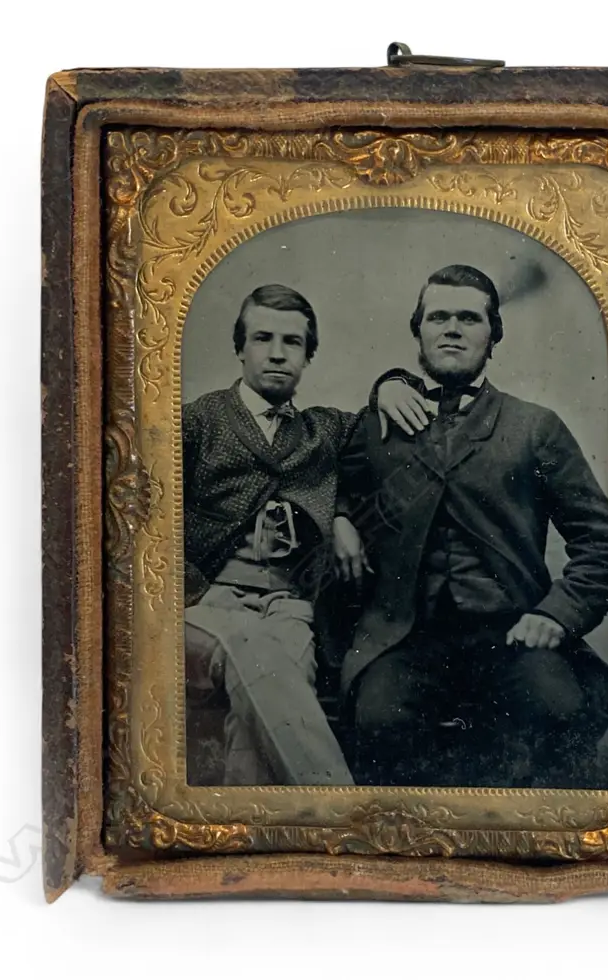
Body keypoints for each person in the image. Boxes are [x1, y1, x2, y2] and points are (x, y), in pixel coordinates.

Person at [333, 265, 608, 788]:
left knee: (559, 710)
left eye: (469, 317)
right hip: (405, 638)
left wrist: (556, 614)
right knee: (378, 722)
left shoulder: (535, 427)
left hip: (511, 632)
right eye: (438, 317)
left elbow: (603, 539)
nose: (453, 329)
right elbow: (322, 481)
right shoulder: (377, 426)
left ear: (493, 334)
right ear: (417, 331)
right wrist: (339, 518)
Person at [182, 283, 423, 787]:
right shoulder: (199, 420)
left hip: (289, 606)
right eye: (262, 338)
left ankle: (247, 841)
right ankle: (339, 808)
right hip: (203, 606)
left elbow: (373, 416)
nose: (276, 353)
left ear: (308, 356)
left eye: (292, 343)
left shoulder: (321, 431)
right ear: (240, 349)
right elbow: (149, 524)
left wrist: (394, 383)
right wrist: (190, 594)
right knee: (263, 660)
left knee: (269, 695)